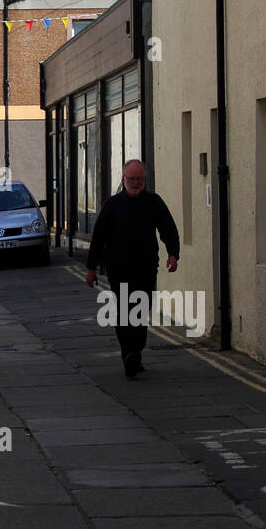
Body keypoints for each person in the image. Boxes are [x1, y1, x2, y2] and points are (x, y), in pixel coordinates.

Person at [85, 159, 180, 378]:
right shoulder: (112, 204)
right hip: (118, 268)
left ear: (144, 180)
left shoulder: (154, 202)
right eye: (132, 179)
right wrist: (91, 268)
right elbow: (98, 238)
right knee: (123, 311)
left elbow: (168, 229)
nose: (135, 183)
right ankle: (130, 352)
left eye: (139, 179)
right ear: (123, 180)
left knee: (141, 309)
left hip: (146, 266)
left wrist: (173, 254)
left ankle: (133, 351)